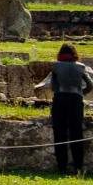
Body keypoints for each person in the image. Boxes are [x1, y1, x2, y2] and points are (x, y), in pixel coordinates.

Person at [37, 43, 90, 174]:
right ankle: (78, 166)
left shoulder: (56, 66)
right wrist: (81, 92)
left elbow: (53, 86)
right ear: (74, 54)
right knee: (76, 133)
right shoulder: (81, 67)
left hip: (60, 99)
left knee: (59, 133)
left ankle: (62, 166)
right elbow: (90, 85)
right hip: (76, 100)